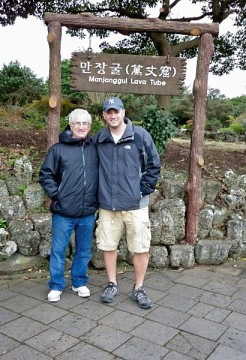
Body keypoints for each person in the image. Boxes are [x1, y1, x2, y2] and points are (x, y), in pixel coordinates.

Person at [93, 97, 161, 309]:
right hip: (108, 204)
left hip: (136, 205)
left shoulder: (140, 135)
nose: (113, 115)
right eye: (108, 112)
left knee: (140, 248)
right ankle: (112, 284)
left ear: (123, 112)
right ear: (104, 115)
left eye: (116, 111)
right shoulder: (99, 139)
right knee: (108, 245)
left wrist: (141, 191)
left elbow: (153, 165)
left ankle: (138, 288)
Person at [39, 109, 98, 302]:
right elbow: (46, 175)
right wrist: (57, 195)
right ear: (70, 125)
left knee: (84, 250)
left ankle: (79, 282)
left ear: (89, 127)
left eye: (85, 124)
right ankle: (56, 285)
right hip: (63, 211)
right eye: (77, 123)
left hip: (88, 211)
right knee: (58, 250)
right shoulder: (57, 149)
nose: (81, 127)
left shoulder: (94, 148)